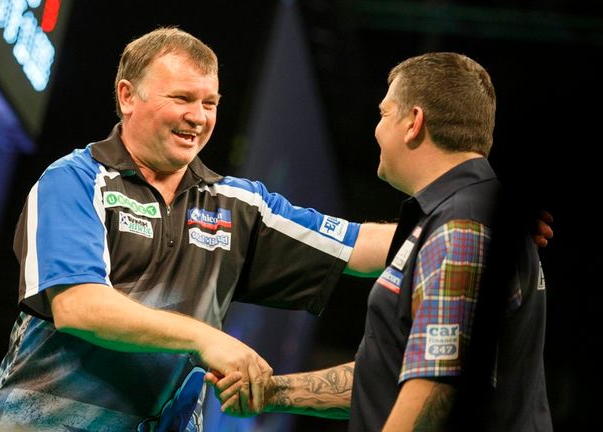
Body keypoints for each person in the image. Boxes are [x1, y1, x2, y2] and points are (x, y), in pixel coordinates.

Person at [0, 27, 398, 432]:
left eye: (210, 103)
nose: (198, 117)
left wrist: (452, 214)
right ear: (128, 96)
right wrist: (205, 339)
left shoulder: (239, 204)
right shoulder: (73, 180)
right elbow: (79, 307)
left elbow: (361, 245)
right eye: (182, 98)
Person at [208, 52, 553, 431]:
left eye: (385, 114)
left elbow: (438, 386)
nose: (376, 129)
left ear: (414, 123)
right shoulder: (454, 221)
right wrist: (273, 392)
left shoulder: (463, 224)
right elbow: (390, 376)